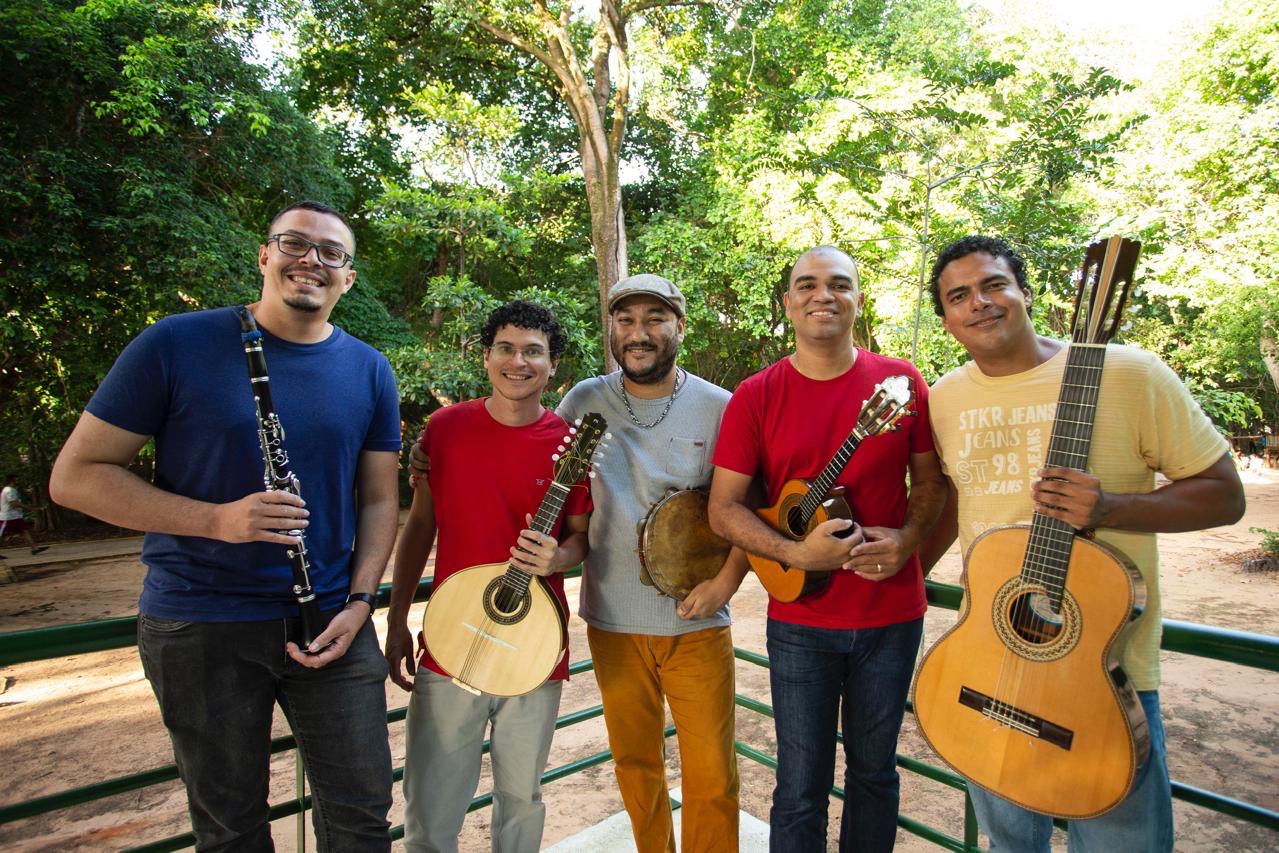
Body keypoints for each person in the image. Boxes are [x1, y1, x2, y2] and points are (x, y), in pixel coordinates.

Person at [49, 200, 400, 851]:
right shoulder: (176, 343)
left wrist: (360, 600)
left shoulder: (369, 368)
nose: (311, 260)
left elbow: (380, 500)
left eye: (331, 252)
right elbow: (76, 476)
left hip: (331, 619)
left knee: (362, 815)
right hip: (200, 623)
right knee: (230, 828)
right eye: (294, 243)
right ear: (265, 255)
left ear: (347, 278)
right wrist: (217, 519)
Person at [920, 235, 1245, 852]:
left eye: (993, 285)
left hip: (1099, 670)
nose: (979, 303)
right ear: (946, 319)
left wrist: (1113, 507)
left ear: (1025, 292)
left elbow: (1225, 495)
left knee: (1122, 845)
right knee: (1010, 842)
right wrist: (910, 574)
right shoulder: (946, 399)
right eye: (958, 296)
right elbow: (953, 499)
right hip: (988, 659)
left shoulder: (1131, 372)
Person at [708, 246, 947, 852]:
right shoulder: (756, 395)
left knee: (874, 775)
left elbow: (932, 485)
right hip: (800, 622)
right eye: (807, 285)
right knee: (799, 785)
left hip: (890, 616)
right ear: (788, 303)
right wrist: (796, 556)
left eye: (839, 284)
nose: (823, 295)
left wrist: (909, 539)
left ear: (857, 301)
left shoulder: (900, 383)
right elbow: (723, 508)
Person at [385, 300, 591, 853]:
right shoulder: (445, 430)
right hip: (452, 640)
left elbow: (580, 538)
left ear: (553, 368)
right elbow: (419, 527)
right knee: (429, 803)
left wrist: (558, 558)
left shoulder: (567, 444)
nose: (517, 361)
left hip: (535, 646)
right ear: (486, 356)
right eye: (506, 348)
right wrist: (398, 619)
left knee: (522, 798)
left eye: (533, 352)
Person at [556, 274, 749, 853]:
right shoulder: (583, 401)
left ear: (679, 327)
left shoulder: (721, 407)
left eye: (654, 318)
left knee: (713, 774)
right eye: (625, 319)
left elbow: (748, 507)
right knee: (636, 766)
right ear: (612, 328)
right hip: (613, 620)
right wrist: (428, 454)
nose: (638, 333)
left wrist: (725, 582)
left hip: (697, 622)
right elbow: (531, 457)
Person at [1, 474, 48, 555]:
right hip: (8, 517)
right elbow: (14, 504)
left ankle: (34, 548)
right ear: (12, 481)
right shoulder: (9, 490)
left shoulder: (11, 489)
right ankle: (34, 548)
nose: (18, 481)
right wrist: (29, 507)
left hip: (15, 517)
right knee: (3, 534)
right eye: (17, 480)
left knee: (24, 532)